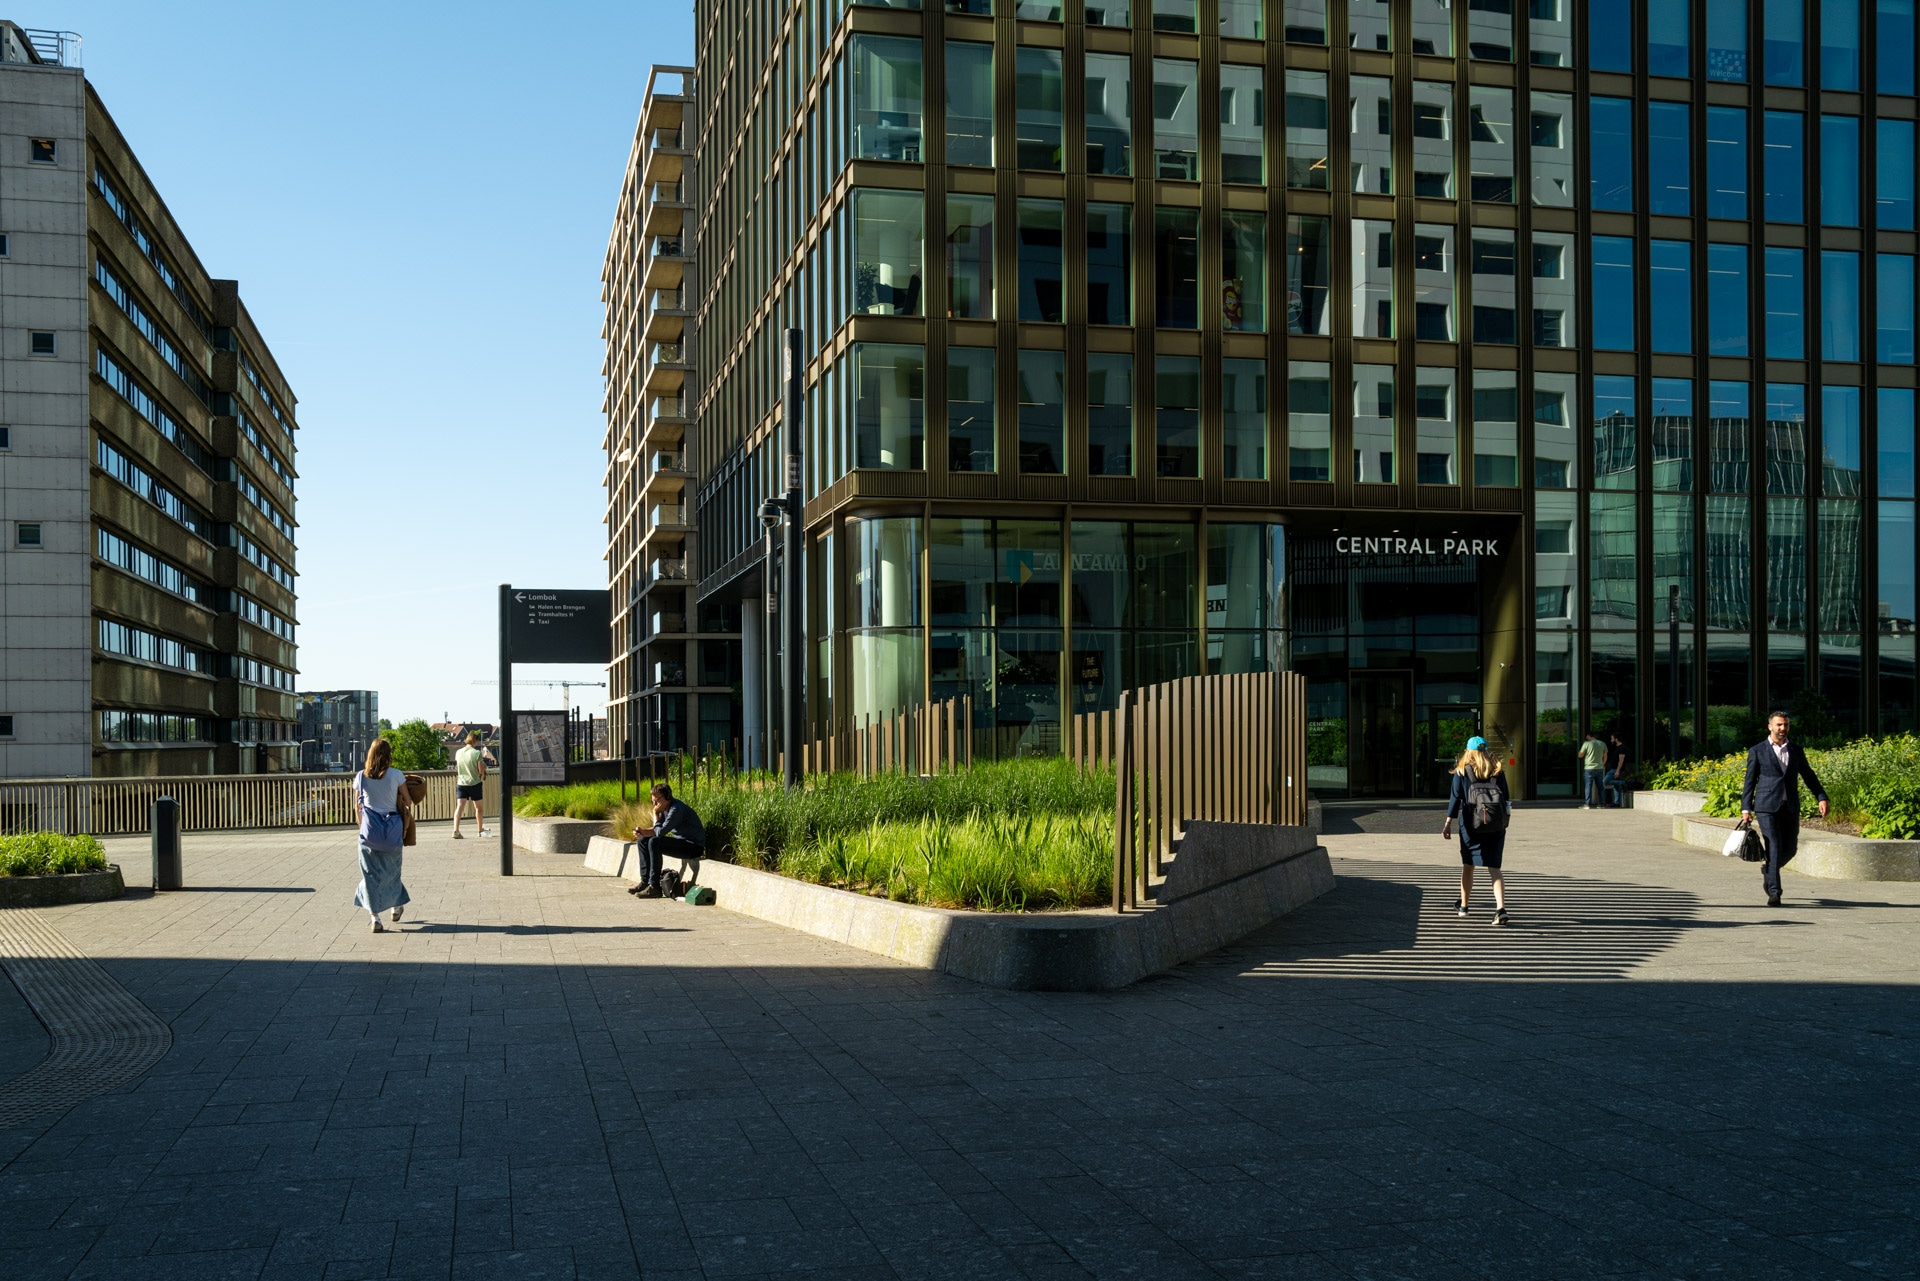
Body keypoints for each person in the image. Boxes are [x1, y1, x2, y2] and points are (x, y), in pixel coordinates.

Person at [1741, 711, 1829, 907]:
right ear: (1770, 727)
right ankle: (1775, 892)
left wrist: (1821, 797)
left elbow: (1808, 775)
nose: (1782, 728)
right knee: (1773, 845)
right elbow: (1750, 781)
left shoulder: (1796, 750)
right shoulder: (1757, 750)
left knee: (1790, 848)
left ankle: (1769, 870)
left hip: (1790, 807)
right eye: (1779, 725)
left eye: (1786, 725)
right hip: (1766, 807)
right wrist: (1746, 808)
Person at [1442, 736, 1512, 926]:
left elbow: (1455, 799)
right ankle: (1500, 909)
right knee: (1495, 868)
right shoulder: (1497, 771)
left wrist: (1448, 823)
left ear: (1468, 751)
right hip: (1495, 825)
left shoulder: (1462, 771)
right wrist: (1504, 821)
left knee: (1468, 865)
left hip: (1470, 825)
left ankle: (1464, 907)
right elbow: (1506, 799)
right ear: (1486, 751)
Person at [352, 738, 413, 933]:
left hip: (369, 832)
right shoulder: (396, 774)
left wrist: (362, 827)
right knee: (392, 872)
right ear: (389, 755)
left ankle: (375, 918)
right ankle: (395, 907)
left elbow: (357, 806)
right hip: (392, 831)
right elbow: (408, 802)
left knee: (369, 875)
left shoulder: (361, 776)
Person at [628, 782, 706, 899]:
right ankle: (645, 882)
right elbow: (657, 829)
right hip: (682, 843)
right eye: (653, 801)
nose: (655, 804)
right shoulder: (664, 808)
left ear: (667, 797)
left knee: (655, 842)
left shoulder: (676, 809)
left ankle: (655, 887)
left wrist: (655, 813)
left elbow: (660, 832)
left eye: (657, 801)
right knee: (643, 840)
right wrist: (642, 832)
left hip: (693, 847)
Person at [451, 732, 493, 840]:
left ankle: (456, 830)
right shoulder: (476, 753)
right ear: (475, 741)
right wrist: (483, 770)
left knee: (459, 807)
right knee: (478, 808)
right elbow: (481, 770)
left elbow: (459, 766)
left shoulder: (458, 752)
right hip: (474, 783)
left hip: (461, 783)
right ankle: (480, 831)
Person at [1578, 729, 1609, 809]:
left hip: (1589, 768)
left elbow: (1580, 755)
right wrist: (1603, 764)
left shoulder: (1586, 744)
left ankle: (1587, 804)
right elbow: (1605, 756)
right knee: (1600, 787)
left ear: (1589, 736)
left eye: (1586, 737)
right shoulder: (1602, 743)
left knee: (1588, 786)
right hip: (1599, 768)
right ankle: (1602, 804)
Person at [1604, 731, 1631, 807]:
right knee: (1615, 786)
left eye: (1612, 738)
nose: (1611, 740)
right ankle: (1617, 802)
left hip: (1615, 770)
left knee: (1605, 781)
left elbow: (1621, 760)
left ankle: (1622, 783)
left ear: (1616, 739)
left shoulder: (1621, 748)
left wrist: (1617, 771)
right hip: (1615, 769)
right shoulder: (1617, 748)